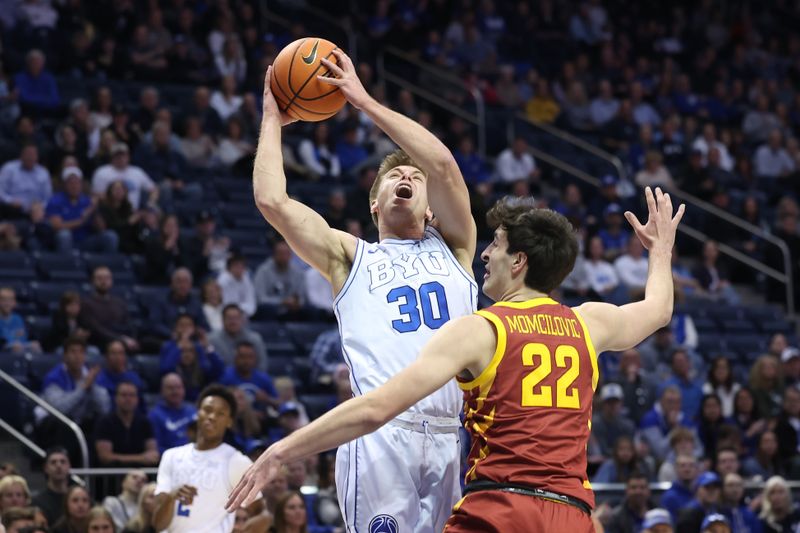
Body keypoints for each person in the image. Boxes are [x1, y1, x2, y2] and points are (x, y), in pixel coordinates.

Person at [229, 187, 685, 532]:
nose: (486, 253)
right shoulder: (591, 323)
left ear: (519, 261)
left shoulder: (482, 329)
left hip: (501, 508)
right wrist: (660, 251)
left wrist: (282, 450)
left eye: (498, 245)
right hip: (572, 512)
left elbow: (375, 408)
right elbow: (659, 310)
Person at [240, 50, 479, 533]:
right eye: (394, 175)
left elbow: (445, 167)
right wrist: (271, 118)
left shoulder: (456, 248)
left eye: (415, 177)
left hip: (451, 438)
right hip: (380, 435)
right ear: (374, 203)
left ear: (432, 209)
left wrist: (363, 101)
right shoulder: (351, 257)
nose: (407, 178)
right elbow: (272, 200)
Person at [152, 385, 262, 532]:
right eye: (208, 410)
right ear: (198, 413)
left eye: (220, 413)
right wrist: (172, 496)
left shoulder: (237, 461)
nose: (212, 417)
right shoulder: (171, 456)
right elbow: (158, 524)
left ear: (229, 421)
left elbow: (263, 513)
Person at [93, 381, 160, 467]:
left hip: (140, 476)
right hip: (112, 476)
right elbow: (105, 457)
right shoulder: (104, 422)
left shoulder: (144, 422)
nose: (128, 399)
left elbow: (153, 454)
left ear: (137, 399)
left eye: (132, 395)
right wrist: (141, 458)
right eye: (124, 395)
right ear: (116, 398)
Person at [32, 447, 71, 525]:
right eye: (53, 462)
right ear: (45, 468)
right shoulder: (37, 502)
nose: (58, 465)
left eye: (63, 462)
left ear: (69, 466)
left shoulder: (79, 499)